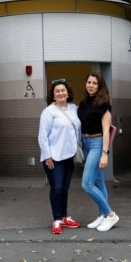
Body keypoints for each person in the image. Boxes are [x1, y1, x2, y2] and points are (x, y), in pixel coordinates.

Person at [38, 78, 82, 234]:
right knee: (56, 188)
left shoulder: (74, 109)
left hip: (69, 155)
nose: (61, 93)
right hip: (53, 157)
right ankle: (57, 219)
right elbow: (43, 136)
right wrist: (47, 156)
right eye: (57, 91)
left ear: (68, 93)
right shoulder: (49, 111)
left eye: (63, 90)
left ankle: (64, 217)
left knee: (65, 188)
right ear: (53, 95)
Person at [77, 72, 119, 232]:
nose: (91, 85)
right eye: (89, 82)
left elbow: (106, 131)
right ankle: (102, 215)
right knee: (98, 182)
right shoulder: (83, 103)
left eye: (95, 83)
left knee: (86, 184)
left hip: (97, 143)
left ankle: (110, 214)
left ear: (100, 86)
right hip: (85, 143)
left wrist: (104, 153)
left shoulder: (104, 104)